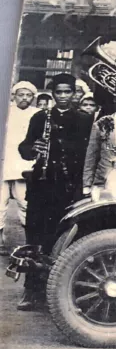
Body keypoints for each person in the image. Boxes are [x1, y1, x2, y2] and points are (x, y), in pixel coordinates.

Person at [17, 74, 93, 310]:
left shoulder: (84, 119)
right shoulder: (40, 117)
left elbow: (88, 154)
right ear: (52, 94)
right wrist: (34, 148)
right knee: (35, 237)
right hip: (42, 185)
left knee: (64, 238)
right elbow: (25, 148)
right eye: (58, 93)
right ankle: (32, 291)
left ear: (74, 94)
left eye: (67, 92)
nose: (62, 97)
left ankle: (61, 291)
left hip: (68, 186)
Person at [0, 81, 40, 256]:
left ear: (33, 97)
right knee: (0, 205)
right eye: (21, 94)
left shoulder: (38, 114)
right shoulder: (5, 111)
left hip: (25, 167)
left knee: (26, 205)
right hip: (4, 164)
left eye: (28, 95)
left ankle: (29, 244)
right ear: (14, 96)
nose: (24, 98)